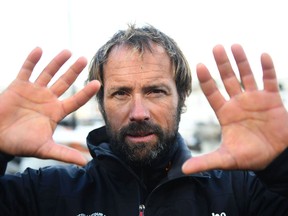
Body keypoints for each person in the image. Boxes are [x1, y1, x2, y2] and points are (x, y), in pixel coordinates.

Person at [0, 25, 287, 215]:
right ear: (101, 103)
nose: (139, 112)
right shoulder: (46, 193)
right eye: (121, 93)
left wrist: (281, 165)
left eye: (155, 91)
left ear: (181, 97)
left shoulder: (240, 193)